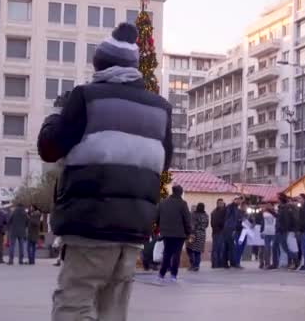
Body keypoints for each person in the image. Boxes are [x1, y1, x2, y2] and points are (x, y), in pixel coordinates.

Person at [37, 22, 173, 321]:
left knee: (74, 302)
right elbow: (163, 163)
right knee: (113, 309)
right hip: (133, 229)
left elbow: (49, 148)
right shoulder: (161, 108)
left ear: (100, 63)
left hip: (89, 224)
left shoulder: (86, 97)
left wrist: (54, 117)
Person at [156, 185, 191, 282]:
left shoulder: (163, 202)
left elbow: (156, 217)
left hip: (166, 233)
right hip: (179, 234)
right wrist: (189, 233)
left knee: (167, 253)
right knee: (176, 254)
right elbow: (187, 219)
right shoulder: (182, 204)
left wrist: (159, 229)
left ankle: (161, 274)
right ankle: (173, 275)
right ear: (180, 192)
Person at [275, 194, 296, 270]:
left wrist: (282, 228)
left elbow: (285, 220)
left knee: (285, 247)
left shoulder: (284, 209)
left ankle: (295, 259)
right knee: (284, 247)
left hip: (283, 230)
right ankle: (292, 260)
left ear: (280, 200)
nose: (277, 201)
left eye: (278, 200)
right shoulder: (282, 208)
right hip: (281, 230)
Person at [186, 203, 209, 271]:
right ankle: (196, 265)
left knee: (189, 248)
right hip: (202, 234)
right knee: (197, 251)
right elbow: (207, 225)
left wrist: (191, 233)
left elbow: (192, 225)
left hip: (194, 234)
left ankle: (193, 264)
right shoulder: (206, 215)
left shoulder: (194, 215)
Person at [223, 197, 243, 269]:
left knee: (231, 246)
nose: (239, 201)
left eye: (240, 200)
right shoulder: (230, 207)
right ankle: (227, 263)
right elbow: (228, 218)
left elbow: (236, 219)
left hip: (232, 229)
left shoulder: (236, 208)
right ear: (234, 200)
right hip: (229, 229)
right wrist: (231, 227)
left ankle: (231, 263)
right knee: (229, 246)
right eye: (238, 200)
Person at [210, 199, 226, 269]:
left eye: (222, 203)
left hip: (221, 232)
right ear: (217, 203)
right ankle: (215, 264)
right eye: (220, 203)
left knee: (220, 249)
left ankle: (219, 263)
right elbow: (214, 223)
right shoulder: (215, 212)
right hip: (217, 232)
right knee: (216, 249)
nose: (221, 204)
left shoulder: (222, 211)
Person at [260, 204, 277, 269]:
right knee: (268, 248)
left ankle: (269, 263)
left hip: (270, 231)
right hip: (269, 232)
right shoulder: (268, 214)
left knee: (270, 248)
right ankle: (268, 263)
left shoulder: (265, 213)